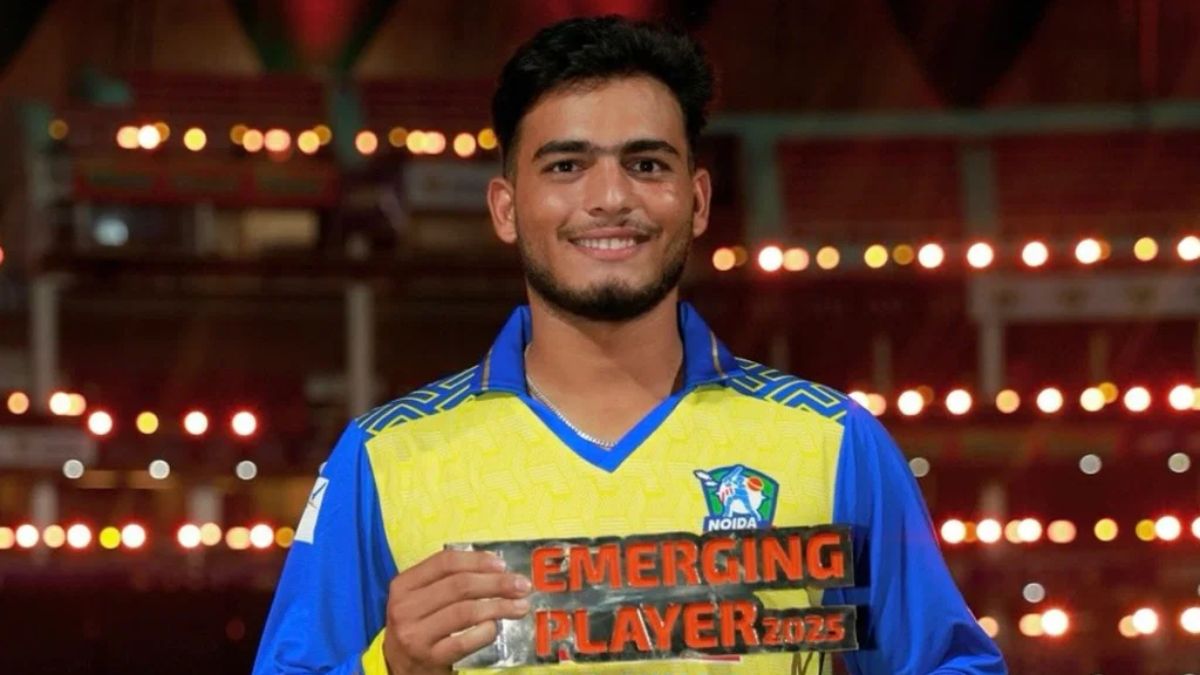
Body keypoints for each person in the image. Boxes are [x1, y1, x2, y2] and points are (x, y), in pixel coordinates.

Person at [253, 15, 1006, 675]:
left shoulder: (832, 441)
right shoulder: (384, 457)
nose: (610, 198)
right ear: (506, 208)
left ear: (698, 201)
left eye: (646, 164)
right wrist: (391, 666)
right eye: (566, 165)